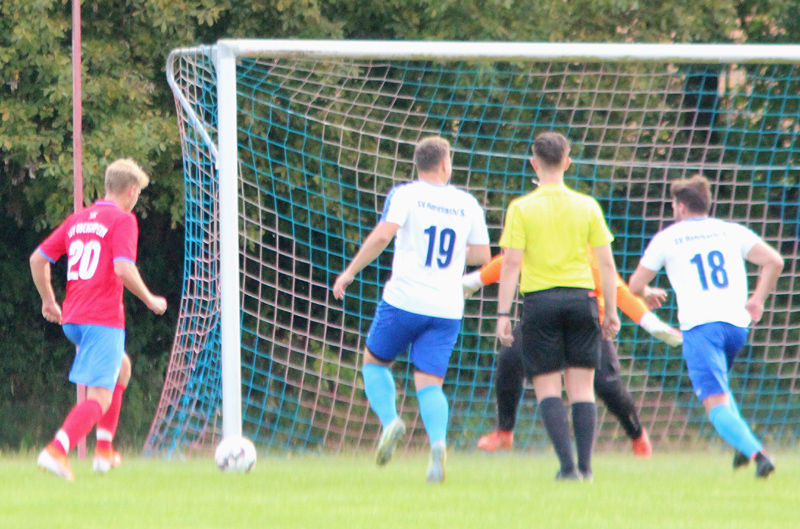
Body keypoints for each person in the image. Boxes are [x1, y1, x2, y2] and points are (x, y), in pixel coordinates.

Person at [333, 136, 491, 484]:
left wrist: (350, 272)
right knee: (430, 383)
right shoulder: (467, 203)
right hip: (448, 307)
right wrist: (449, 258)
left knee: (374, 362)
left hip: (404, 301)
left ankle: (390, 421)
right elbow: (482, 255)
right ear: (446, 164)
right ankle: (437, 446)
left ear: (417, 165)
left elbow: (381, 236)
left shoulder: (405, 194)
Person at [629, 174, 783, 479]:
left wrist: (647, 293)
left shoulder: (668, 237)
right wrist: (757, 300)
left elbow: (634, 285)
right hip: (737, 327)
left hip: (702, 329)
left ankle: (759, 454)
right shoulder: (730, 231)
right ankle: (742, 444)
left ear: (682, 207)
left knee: (715, 407)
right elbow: (774, 261)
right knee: (721, 389)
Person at [466, 252, 681, 456]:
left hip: (587, 324)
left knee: (607, 385)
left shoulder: (585, 251)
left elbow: (619, 291)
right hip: (546, 321)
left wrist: (652, 324)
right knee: (510, 357)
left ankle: (637, 434)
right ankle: (505, 432)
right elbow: (510, 260)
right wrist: (471, 282)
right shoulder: (543, 238)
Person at [30, 159, 167, 480]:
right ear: (131, 191)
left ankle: (104, 451)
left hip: (74, 319)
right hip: (102, 318)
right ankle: (56, 451)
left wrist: (49, 301)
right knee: (100, 397)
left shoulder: (78, 220)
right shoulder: (123, 220)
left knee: (122, 368)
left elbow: (38, 259)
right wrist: (149, 299)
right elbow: (123, 267)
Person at [495, 132, 620, 482]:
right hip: (583, 300)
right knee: (582, 388)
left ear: (534, 163)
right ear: (567, 161)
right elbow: (607, 265)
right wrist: (610, 310)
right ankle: (587, 468)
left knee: (547, 388)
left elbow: (510, 264)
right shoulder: (587, 206)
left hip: (540, 303)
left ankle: (567, 469)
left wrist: (504, 314)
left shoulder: (520, 208)